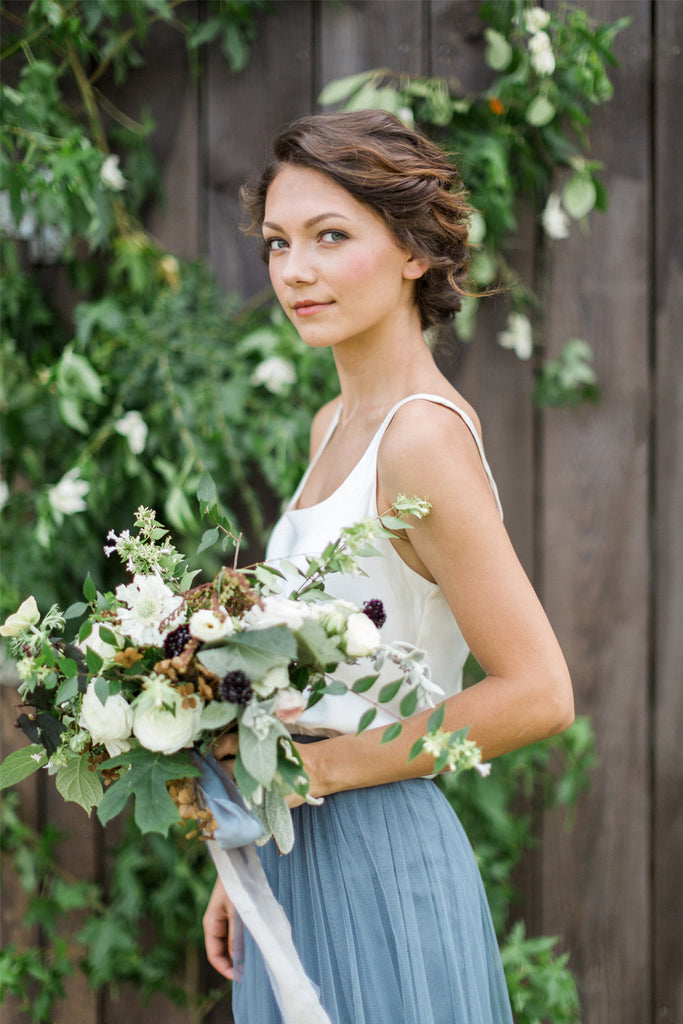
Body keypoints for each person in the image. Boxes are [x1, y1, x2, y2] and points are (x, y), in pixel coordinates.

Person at [203, 109, 574, 1024]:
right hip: (290, 855)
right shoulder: (333, 425)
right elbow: (324, 687)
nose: (295, 270)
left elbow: (538, 693)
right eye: (278, 242)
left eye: (330, 236)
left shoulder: (419, 440)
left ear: (412, 250)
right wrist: (246, 854)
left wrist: (323, 775)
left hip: (378, 855)